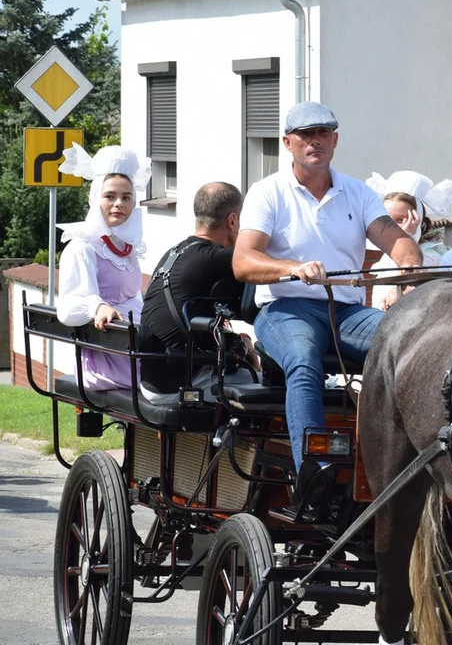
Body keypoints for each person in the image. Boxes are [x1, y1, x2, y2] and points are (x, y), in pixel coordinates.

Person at [232, 101, 423, 483]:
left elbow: (399, 242)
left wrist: (408, 266)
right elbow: (243, 262)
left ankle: (415, 461)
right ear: (288, 142)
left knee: (416, 345)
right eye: (305, 135)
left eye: (322, 134)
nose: (314, 142)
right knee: (303, 361)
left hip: (348, 313)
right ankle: (312, 472)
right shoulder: (267, 192)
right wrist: (292, 268)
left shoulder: (357, 193)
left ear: (335, 140)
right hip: (286, 310)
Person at [140, 182, 256, 404]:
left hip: (154, 379)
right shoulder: (218, 259)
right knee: (266, 387)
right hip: (178, 386)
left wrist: (239, 341)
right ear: (233, 220)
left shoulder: (174, 253)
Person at [56, 143, 151, 390]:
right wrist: (98, 306)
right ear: (95, 198)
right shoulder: (83, 247)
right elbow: (67, 309)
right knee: (175, 370)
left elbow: (133, 299)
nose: (118, 203)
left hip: (130, 344)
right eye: (110, 196)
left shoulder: (127, 248)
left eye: (126, 197)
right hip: (105, 355)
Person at [365, 170, 452, 310]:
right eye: (387, 220)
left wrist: (407, 239)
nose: (393, 227)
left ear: (418, 221)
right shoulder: (385, 257)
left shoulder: (432, 253)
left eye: (400, 220)